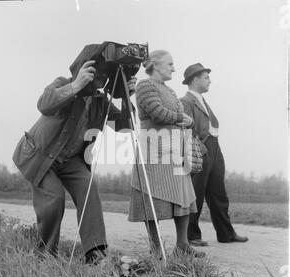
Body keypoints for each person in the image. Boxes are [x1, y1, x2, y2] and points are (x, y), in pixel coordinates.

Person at [12, 44, 137, 264]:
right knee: (54, 199)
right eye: (96, 72)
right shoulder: (63, 83)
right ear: (82, 67)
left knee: (88, 188)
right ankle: (45, 256)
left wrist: (126, 97)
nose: (100, 78)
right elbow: (44, 104)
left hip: (71, 161)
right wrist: (76, 86)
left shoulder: (101, 101)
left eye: (104, 76)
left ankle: (95, 253)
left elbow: (126, 127)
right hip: (41, 156)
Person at [128, 50, 205, 259]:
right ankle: (155, 247)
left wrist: (184, 121)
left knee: (182, 195)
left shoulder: (170, 91)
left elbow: (175, 116)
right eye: (170, 64)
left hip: (174, 149)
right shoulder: (145, 86)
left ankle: (182, 244)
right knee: (153, 195)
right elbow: (158, 113)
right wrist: (183, 118)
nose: (173, 68)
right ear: (155, 65)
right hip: (154, 148)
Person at [180, 63, 249, 246]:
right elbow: (185, 129)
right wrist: (194, 151)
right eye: (206, 77)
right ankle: (191, 236)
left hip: (215, 147)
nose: (209, 81)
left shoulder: (201, 99)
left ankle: (226, 234)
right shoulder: (186, 101)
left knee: (218, 193)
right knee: (196, 193)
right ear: (195, 80)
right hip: (201, 147)